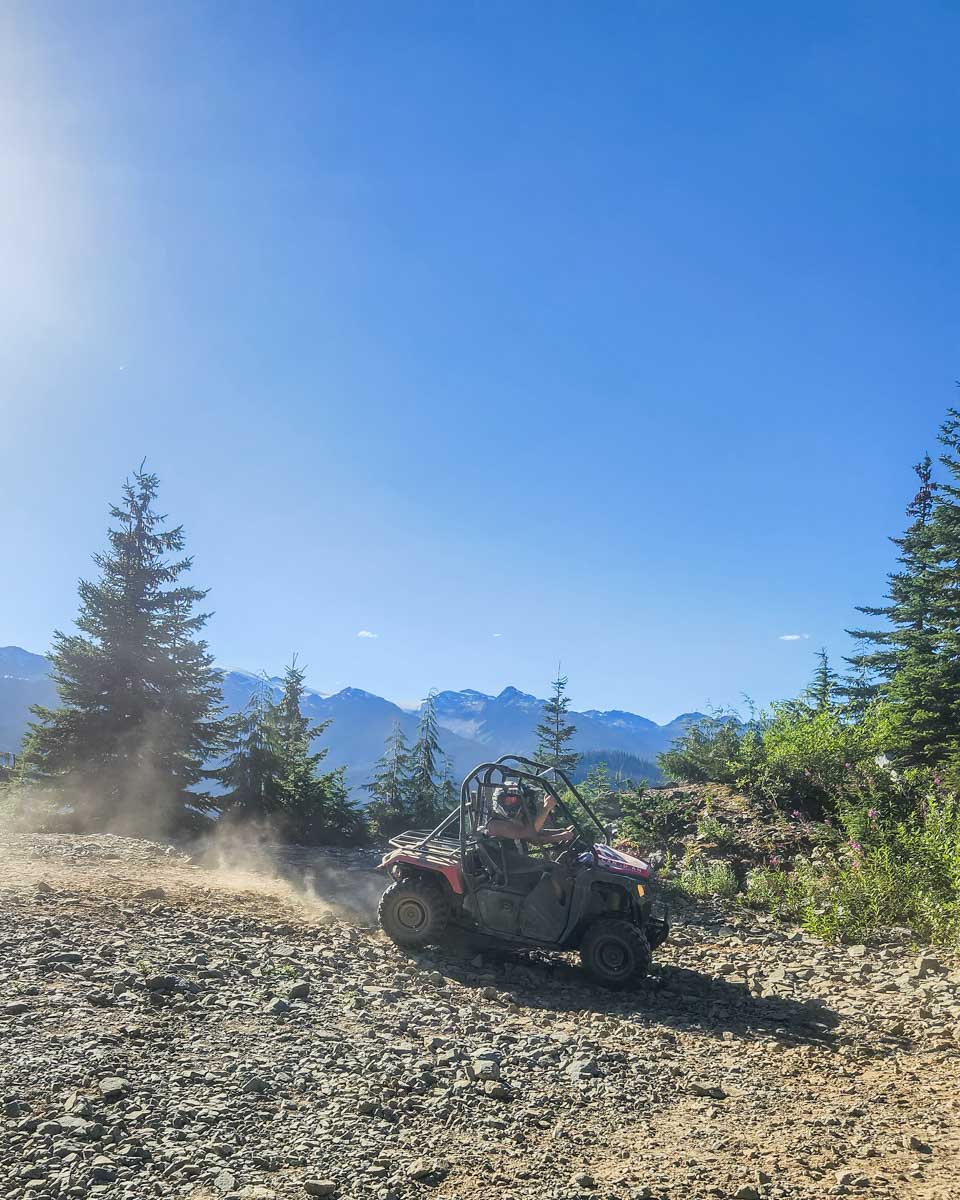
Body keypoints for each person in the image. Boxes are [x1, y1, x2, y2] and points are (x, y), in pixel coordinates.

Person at [483, 784, 575, 846]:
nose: (512, 803)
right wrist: (546, 808)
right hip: (513, 868)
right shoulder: (496, 825)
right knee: (558, 870)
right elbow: (530, 833)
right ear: (499, 801)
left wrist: (562, 831)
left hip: (518, 865)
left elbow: (534, 838)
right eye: (508, 800)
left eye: (515, 800)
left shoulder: (511, 820)